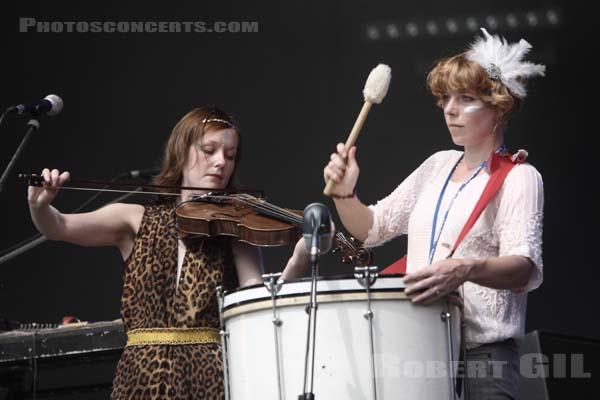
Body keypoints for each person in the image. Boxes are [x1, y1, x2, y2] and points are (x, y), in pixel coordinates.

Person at [28, 106, 310, 399]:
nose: (220, 163)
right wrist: (40, 206)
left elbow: (258, 306)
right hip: (139, 378)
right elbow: (58, 226)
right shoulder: (134, 219)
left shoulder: (234, 230)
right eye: (209, 150)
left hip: (208, 379)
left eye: (230, 155)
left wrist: (298, 259)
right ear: (181, 152)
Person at [323, 28, 545, 399]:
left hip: (482, 357)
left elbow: (524, 267)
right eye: (445, 99)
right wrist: (346, 192)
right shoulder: (437, 166)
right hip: (418, 344)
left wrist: (466, 268)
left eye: (466, 98)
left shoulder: (520, 178)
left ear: (498, 105)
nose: (449, 109)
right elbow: (373, 228)